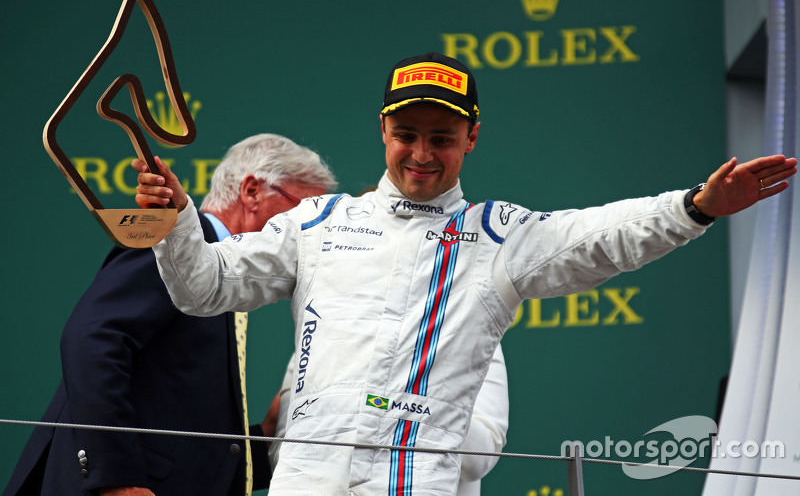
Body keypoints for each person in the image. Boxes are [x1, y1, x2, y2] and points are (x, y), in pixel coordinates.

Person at [132, 52, 797, 495]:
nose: (422, 154)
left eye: (442, 137)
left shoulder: (496, 237)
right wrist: (176, 219)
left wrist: (696, 207)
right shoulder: (319, 224)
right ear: (384, 129)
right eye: (408, 133)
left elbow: (601, 236)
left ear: (471, 137)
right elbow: (203, 286)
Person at [3, 134, 337, 496]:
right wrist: (115, 476)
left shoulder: (227, 280)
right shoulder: (171, 244)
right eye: (303, 212)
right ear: (252, 191)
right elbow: (93, 339)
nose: (309, 232)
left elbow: (186, 442)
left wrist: (265, 435)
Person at [265, 346, 509, 495]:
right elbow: (286, 457)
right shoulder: (319, 335)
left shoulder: (472, 329)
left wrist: (389, 400)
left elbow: (479, 458)